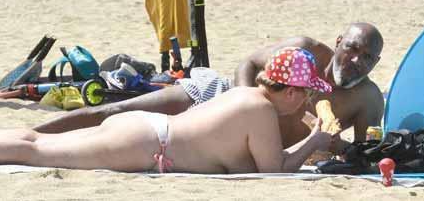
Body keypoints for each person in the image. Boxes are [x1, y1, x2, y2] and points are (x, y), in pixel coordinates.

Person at [0, 46, 336, 173]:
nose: (304, 101)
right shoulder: (261, 110)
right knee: (36, 151)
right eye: (302, 93)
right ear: (288, 90)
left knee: (38, 142)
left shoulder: (245, 96)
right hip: (143, 142)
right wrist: (315, 139)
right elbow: (272, 174)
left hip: (143, 129)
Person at [32, 25, 385, 151]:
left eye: (367, 58)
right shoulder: (305, 49)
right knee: (114, 111)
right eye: (352, 48)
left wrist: (335, 146)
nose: (356, 60)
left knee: (121, 140)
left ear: (375, 65)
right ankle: (29, 133)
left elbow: (360, 154)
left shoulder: (366, 99)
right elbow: (247, 63)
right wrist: (242, 102)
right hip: (216, 95)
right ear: (340, 42)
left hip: (248, 143)